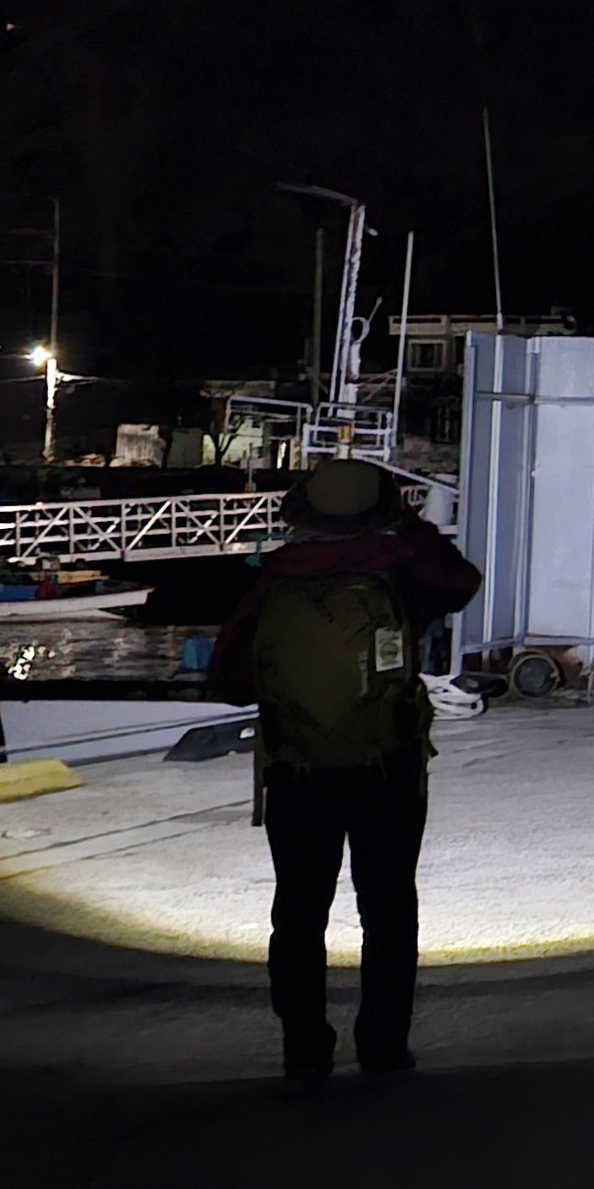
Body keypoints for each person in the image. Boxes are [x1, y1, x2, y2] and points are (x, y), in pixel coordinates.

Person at [207, 456, 480, 1085]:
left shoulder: (273, 581)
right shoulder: (400, 574)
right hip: (387, 768)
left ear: (305, 512)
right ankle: (383, 1048)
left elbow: (228, 680)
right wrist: (407, 524)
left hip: (298, 772)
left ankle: (305, 1051)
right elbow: (462, 582)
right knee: (388, 910)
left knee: (299, 914)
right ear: (379, 509)